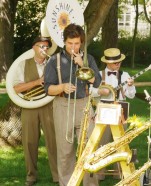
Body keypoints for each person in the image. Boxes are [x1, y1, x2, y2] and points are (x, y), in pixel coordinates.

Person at [44, 23, 101, 186]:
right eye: (70, 43)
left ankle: (90, 184)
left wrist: (82, 64)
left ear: (81, 43)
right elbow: (47, 88)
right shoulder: (54, 60)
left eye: (76, 43)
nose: (73, 47)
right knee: (65, 151)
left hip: (84, 105)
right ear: (64, 42)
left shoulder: (88, 58)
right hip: (63, 106)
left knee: (89, 149)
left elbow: (96, 81)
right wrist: (62, 87)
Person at [13, 37, 58, 186]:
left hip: (48, 105)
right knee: (29, 141)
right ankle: (31, 175)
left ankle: (57, 176)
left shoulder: (53, 64)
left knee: (53, 140)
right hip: (29, 106)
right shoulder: (22, 65)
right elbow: (16, 88)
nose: (44, 49)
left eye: (47, 47)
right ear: (34, 47)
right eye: (42, 46)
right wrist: (37, 82)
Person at [91, 48, 136, 180]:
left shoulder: (125, 74)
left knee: (121, 144)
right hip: (103, 113)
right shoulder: (98, 74)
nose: (118, 64)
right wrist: (100, 91)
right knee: (102, 143)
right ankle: (99, 173)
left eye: (119, 61)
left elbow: (131, 95)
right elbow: (90, 92)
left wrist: (131, 86)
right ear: (107, 63)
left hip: (120, 113)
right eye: (115, 62)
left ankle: (121, 174)